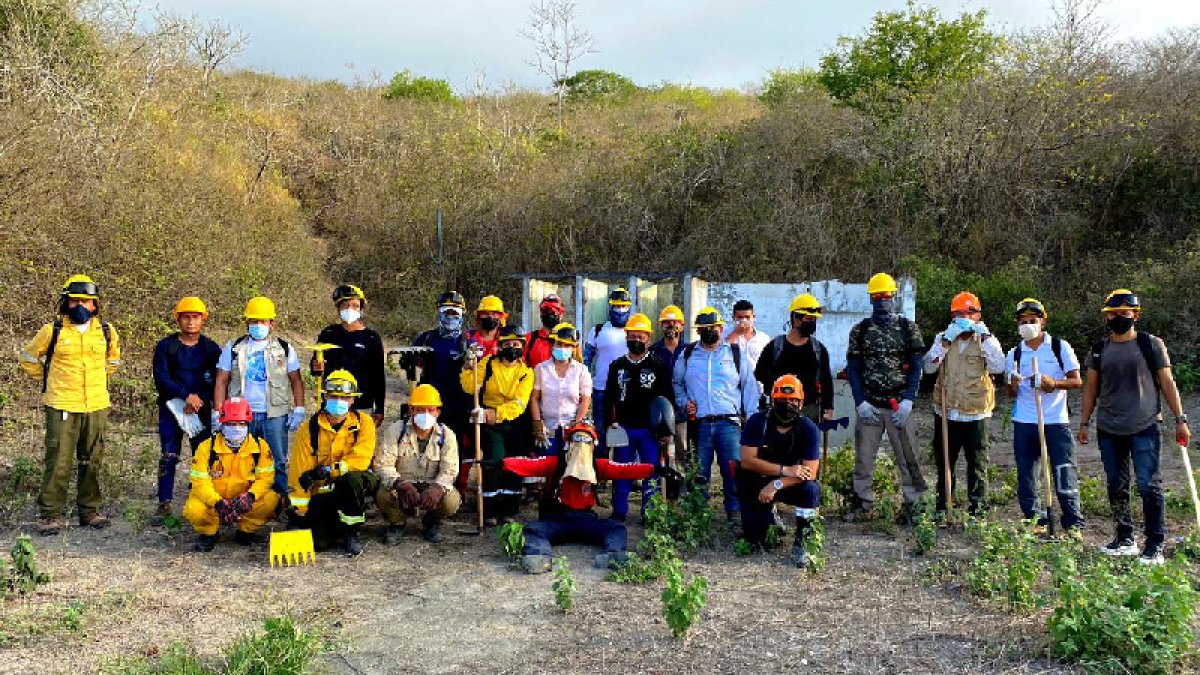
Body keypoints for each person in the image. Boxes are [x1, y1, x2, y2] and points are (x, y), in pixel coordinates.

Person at [1079, 289, 1191, 565]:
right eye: (1112, 314)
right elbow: (1090, 389)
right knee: (1116, 486)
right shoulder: (1099, 349)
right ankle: (1124, 538)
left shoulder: (1150, 344)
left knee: (1148, 485)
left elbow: (1167, 383)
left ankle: (1155, 545)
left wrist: (1180, 419)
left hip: (1145, 426)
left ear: (1135, 315)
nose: (1118, 317)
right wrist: (1083, 423)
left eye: (1123, 312)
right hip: (1108, 428)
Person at [19, 274, 122, 535]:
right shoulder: (52, 331)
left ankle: (89, 511)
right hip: (62, 403)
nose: (81, 306)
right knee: (60, 460)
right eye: (75, 301)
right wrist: (50, 378)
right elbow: (28, 358)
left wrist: (98, 380)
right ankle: (50, 514)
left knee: (92, 458)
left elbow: (113, 362)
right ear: (65, 302)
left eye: (87, 302)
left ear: (96, 305)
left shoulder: (107, 332)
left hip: (96, 404)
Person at [502, 423, 675, 573]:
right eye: (577, 440)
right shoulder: (556, 463)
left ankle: (613, 555)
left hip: (586, 519)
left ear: (593, 445)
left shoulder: (598, 465)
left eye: (586, 441)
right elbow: (529, 465)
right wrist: (502, 464)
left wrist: (655, 469)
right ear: (569, 444)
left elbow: (625, 469)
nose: (581, 445)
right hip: (557, 519)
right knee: (533, 529)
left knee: (616, 528)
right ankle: (539, 557)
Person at [846, 273, 927, 519]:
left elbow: (916, 366)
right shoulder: (860, 330)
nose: (882, 301)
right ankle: (863, 505)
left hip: (898, 406)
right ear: (871, 298)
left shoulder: (907, 328)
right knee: (863, 460)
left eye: (886, 296)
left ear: (894, 297)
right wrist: (860, 402)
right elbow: (853, 368)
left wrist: (908, 401)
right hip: (870, 405)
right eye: (877, 296)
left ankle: (914, 507)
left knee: (908, 458)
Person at [1004, 298, 1084, 536]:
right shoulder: (1015, 353)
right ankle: (1035, 520)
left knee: (1064, 471)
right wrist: (1014, 383)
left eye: (1032, 321)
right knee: (1027, 474)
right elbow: (1010, 392)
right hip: (1025, 421)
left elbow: (1077, 380)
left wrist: (1053, 383)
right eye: (1023, 322)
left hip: (1056, 421)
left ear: (1042, 322)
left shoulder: (1059, 347)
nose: (1028, 325)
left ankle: (1072, 524)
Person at [673, 306, 759, 521]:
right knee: (699, 472)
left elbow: (749, 387)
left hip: (728, 423)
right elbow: (677, 382)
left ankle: (734, 511)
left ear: (721, 328)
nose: (709, 331)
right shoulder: (688, 354)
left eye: (713, 327)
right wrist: (684, 403)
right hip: (700, 424)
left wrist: (752, 419)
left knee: (732, 470)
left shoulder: (735, 354)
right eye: (704, 328)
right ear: (698, 331)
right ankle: (699, 514)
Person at [924, 291, 1005, 518]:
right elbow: (929, 367)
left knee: (977, 464)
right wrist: (945, 343)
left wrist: (986, 338)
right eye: (958, 314)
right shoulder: (943, 337)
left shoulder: (987, 339)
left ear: (978, 315)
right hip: (946, 412)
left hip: (976, 414)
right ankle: (944, 507)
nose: (964, 318)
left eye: (969, 313)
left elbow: (999, 367)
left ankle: (978, 511)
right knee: (944, 463)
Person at [213, 297, 305, 495]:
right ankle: (244, 499)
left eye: (263, 321)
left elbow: (296, 379)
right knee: (243, 459)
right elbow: (221, 379)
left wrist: (299, 408)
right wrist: (217, 411)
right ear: (247, 323)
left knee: (277, 460)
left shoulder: (284, 348)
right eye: (254, 321)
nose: (258, 325)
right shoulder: (234, 347)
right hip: (239, 417)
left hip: (274, 415)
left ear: (271, 324)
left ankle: (277, 499)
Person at [287, 370, 377, 556]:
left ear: (353, 400)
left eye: (344, 397)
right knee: (319, 543)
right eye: (333, 396)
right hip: (322, 490)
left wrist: (330, 470)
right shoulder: (309, 429)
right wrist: (300, 513)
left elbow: (360, 460)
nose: (339, 401)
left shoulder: (364, 424)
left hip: (353, 484)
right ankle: (333, 526)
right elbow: (299, 473)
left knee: (351, 479)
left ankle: (351, 532)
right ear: (325, 397)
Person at [736, 375, 822, 568]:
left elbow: (810, 472)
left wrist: (776, 484)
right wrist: (785, 470)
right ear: (773, 400)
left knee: (811, 489)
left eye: (793, 400)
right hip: (758, 480)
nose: (788, 404)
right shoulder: (757, 422)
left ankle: (803, 543)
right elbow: (748, 461)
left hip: (789, 483)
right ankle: (767, 517)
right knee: (756, 541)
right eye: (783, 400)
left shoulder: (808, 428)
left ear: (801, 404)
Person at [151, 297, 221, 521]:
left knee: (202, 455)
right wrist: (185, 396)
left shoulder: (211, 348)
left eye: (196, 317)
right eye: (186, 317)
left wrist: (199, 400)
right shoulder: (166, 346)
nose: (191, 322)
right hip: (171, 408)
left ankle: (201, 498)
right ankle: (164, 502)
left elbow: (218, 381)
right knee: (169, 454)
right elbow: (161, 378)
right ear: (178, 319)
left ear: (203, 320)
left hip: (200, 410)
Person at [183, 397, 280, 551]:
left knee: (271, 501)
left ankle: (246, 531)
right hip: (216, 498)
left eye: (241, 424)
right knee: (194, 508)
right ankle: (210, 533)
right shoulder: (206, 448)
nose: (236, 428)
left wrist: (250, 496)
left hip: (243, 498)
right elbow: (199, 482)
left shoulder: (260, 447)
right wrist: (218, 503)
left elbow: (266, 478)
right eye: (231, 424)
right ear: (222, 423)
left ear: (248, 424)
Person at [461, 324, 535, 523]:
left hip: (514, 422)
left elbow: (519, 404)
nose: (513, 347)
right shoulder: (488, 364)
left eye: (517, 344)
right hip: (490, 425)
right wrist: (469, 366)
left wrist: (492, 414)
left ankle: (509, 510)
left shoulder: (526, 373)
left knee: (514, 463)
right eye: (509, 343)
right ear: (501, 345)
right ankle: (490, 511)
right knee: (493, 461)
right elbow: (470, 387)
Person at [605, 313, 675, 521]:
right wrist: (610, 425)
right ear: (626, 337)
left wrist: (665, 430)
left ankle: (650, 511)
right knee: (621, 471)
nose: (636, 340)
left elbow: (667, 397)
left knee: (650, 471)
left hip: (650, 430)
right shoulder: (616, 366)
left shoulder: (659, 364)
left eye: (641, 336)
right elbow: (609, 398)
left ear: (648, 339)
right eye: (632, 336)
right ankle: (619, 511)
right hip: (623, 427)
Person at [374, 384, 461, 544]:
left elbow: (450, 470)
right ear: (411, 410)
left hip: (430, 484)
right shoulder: (396, 431)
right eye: (420, 409)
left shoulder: (447, 435)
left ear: (438, 412)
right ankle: (397, 523)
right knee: (382, 494)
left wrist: (437, 488)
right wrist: (399, 483)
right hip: (403, 484)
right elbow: (382, 465)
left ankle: (432, 522)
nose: (425, 414)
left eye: (430, 410)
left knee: (452, 500)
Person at [310, 284, 386, 426]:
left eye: (355, 306)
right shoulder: (328, 333)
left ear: (361, 309)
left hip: (362, 405)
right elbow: (315, 368)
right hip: (332, 403)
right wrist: (316, 367)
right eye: (345, 305)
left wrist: (380, 408)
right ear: (338, 308)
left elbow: (378, 376)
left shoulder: (371, 338)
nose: (350, 309)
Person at [754, 293, 834, 423]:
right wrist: (781, 387)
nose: (813, 323)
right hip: (778, 410)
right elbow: (759, 373)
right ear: (796, 320)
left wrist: (828, 408)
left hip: (809, 411)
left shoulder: (819, 350)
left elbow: (826, 381)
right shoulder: (775, 346)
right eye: (809, 319)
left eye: (814, 319)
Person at [411, 291, 474, 444]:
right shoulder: (426, 338)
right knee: (427, 440)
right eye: (446, 312)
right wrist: (410, 361)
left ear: (462, 315)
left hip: (457, 402)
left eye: (455, 313)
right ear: (439, 313)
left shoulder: (467, 341)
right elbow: (411, 366)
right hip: (429, 400)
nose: (450, 316)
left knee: (453, 444)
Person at [530, 323, 592, 457]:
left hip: (572, 427)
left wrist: (577, 425)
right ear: (552, 345)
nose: (563, 348)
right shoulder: (541, 369)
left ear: (573, 348)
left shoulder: (581, 370)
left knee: (570, 469)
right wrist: (537, 423)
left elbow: (586, 399)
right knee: (548, 468)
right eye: (559, 344)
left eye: (567, 345)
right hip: (548, 428)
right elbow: (534, 398)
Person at [583, 287, 633, 452]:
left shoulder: (634, 332)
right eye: (616, 306)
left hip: (627, 392)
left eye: (623, 306)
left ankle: (624, 474)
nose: (620, 310)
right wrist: (584, 388)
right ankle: (600, 473)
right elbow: (586, 361)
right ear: (610, 307)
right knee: (600, 435)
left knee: (625, 436)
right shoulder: (597, 331)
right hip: (601, 390)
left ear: (629, 306)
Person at [650, 304, 689, 467]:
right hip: (659, 410)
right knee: (658, 453)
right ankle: (660, 489)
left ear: (682, 325)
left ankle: (681, 489)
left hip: (682, 412)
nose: (671, 326)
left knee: (682, 451)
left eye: (675, 322)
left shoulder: (689, 351)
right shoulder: (652, 351)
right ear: (661, 325)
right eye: (667, 322)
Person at [725, 299, 772, 383]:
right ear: (733, 318)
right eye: (740, 317)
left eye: (747, 317)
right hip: (731, 386)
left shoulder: (763, 339)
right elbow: (719, 354)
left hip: (756, 387)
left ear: (753, 317)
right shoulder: (725, 335)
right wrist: (736, 333)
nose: (743, 321)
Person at [524, 293, 568, 367]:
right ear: (541, 313)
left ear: (561, 315)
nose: (550, 314)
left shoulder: (569, 339)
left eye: (554, 311)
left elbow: (578, 366)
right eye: (545, 311)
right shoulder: (529, 339)